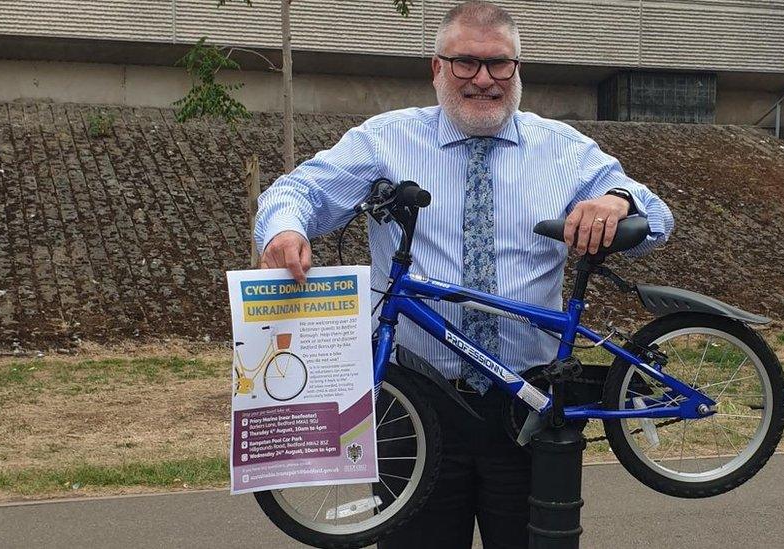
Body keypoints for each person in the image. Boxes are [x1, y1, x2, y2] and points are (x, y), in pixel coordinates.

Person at [254, 2, 674, 546]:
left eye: (500, 64)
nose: (483, 79)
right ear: (436, 67)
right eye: (465, 63)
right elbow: (300, 190)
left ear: (518, 69)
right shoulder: (384, 141)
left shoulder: (565, 151)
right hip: (413, 408)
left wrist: (617, 200)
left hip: (529, 408)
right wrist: (285, 232)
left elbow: (656, 217)